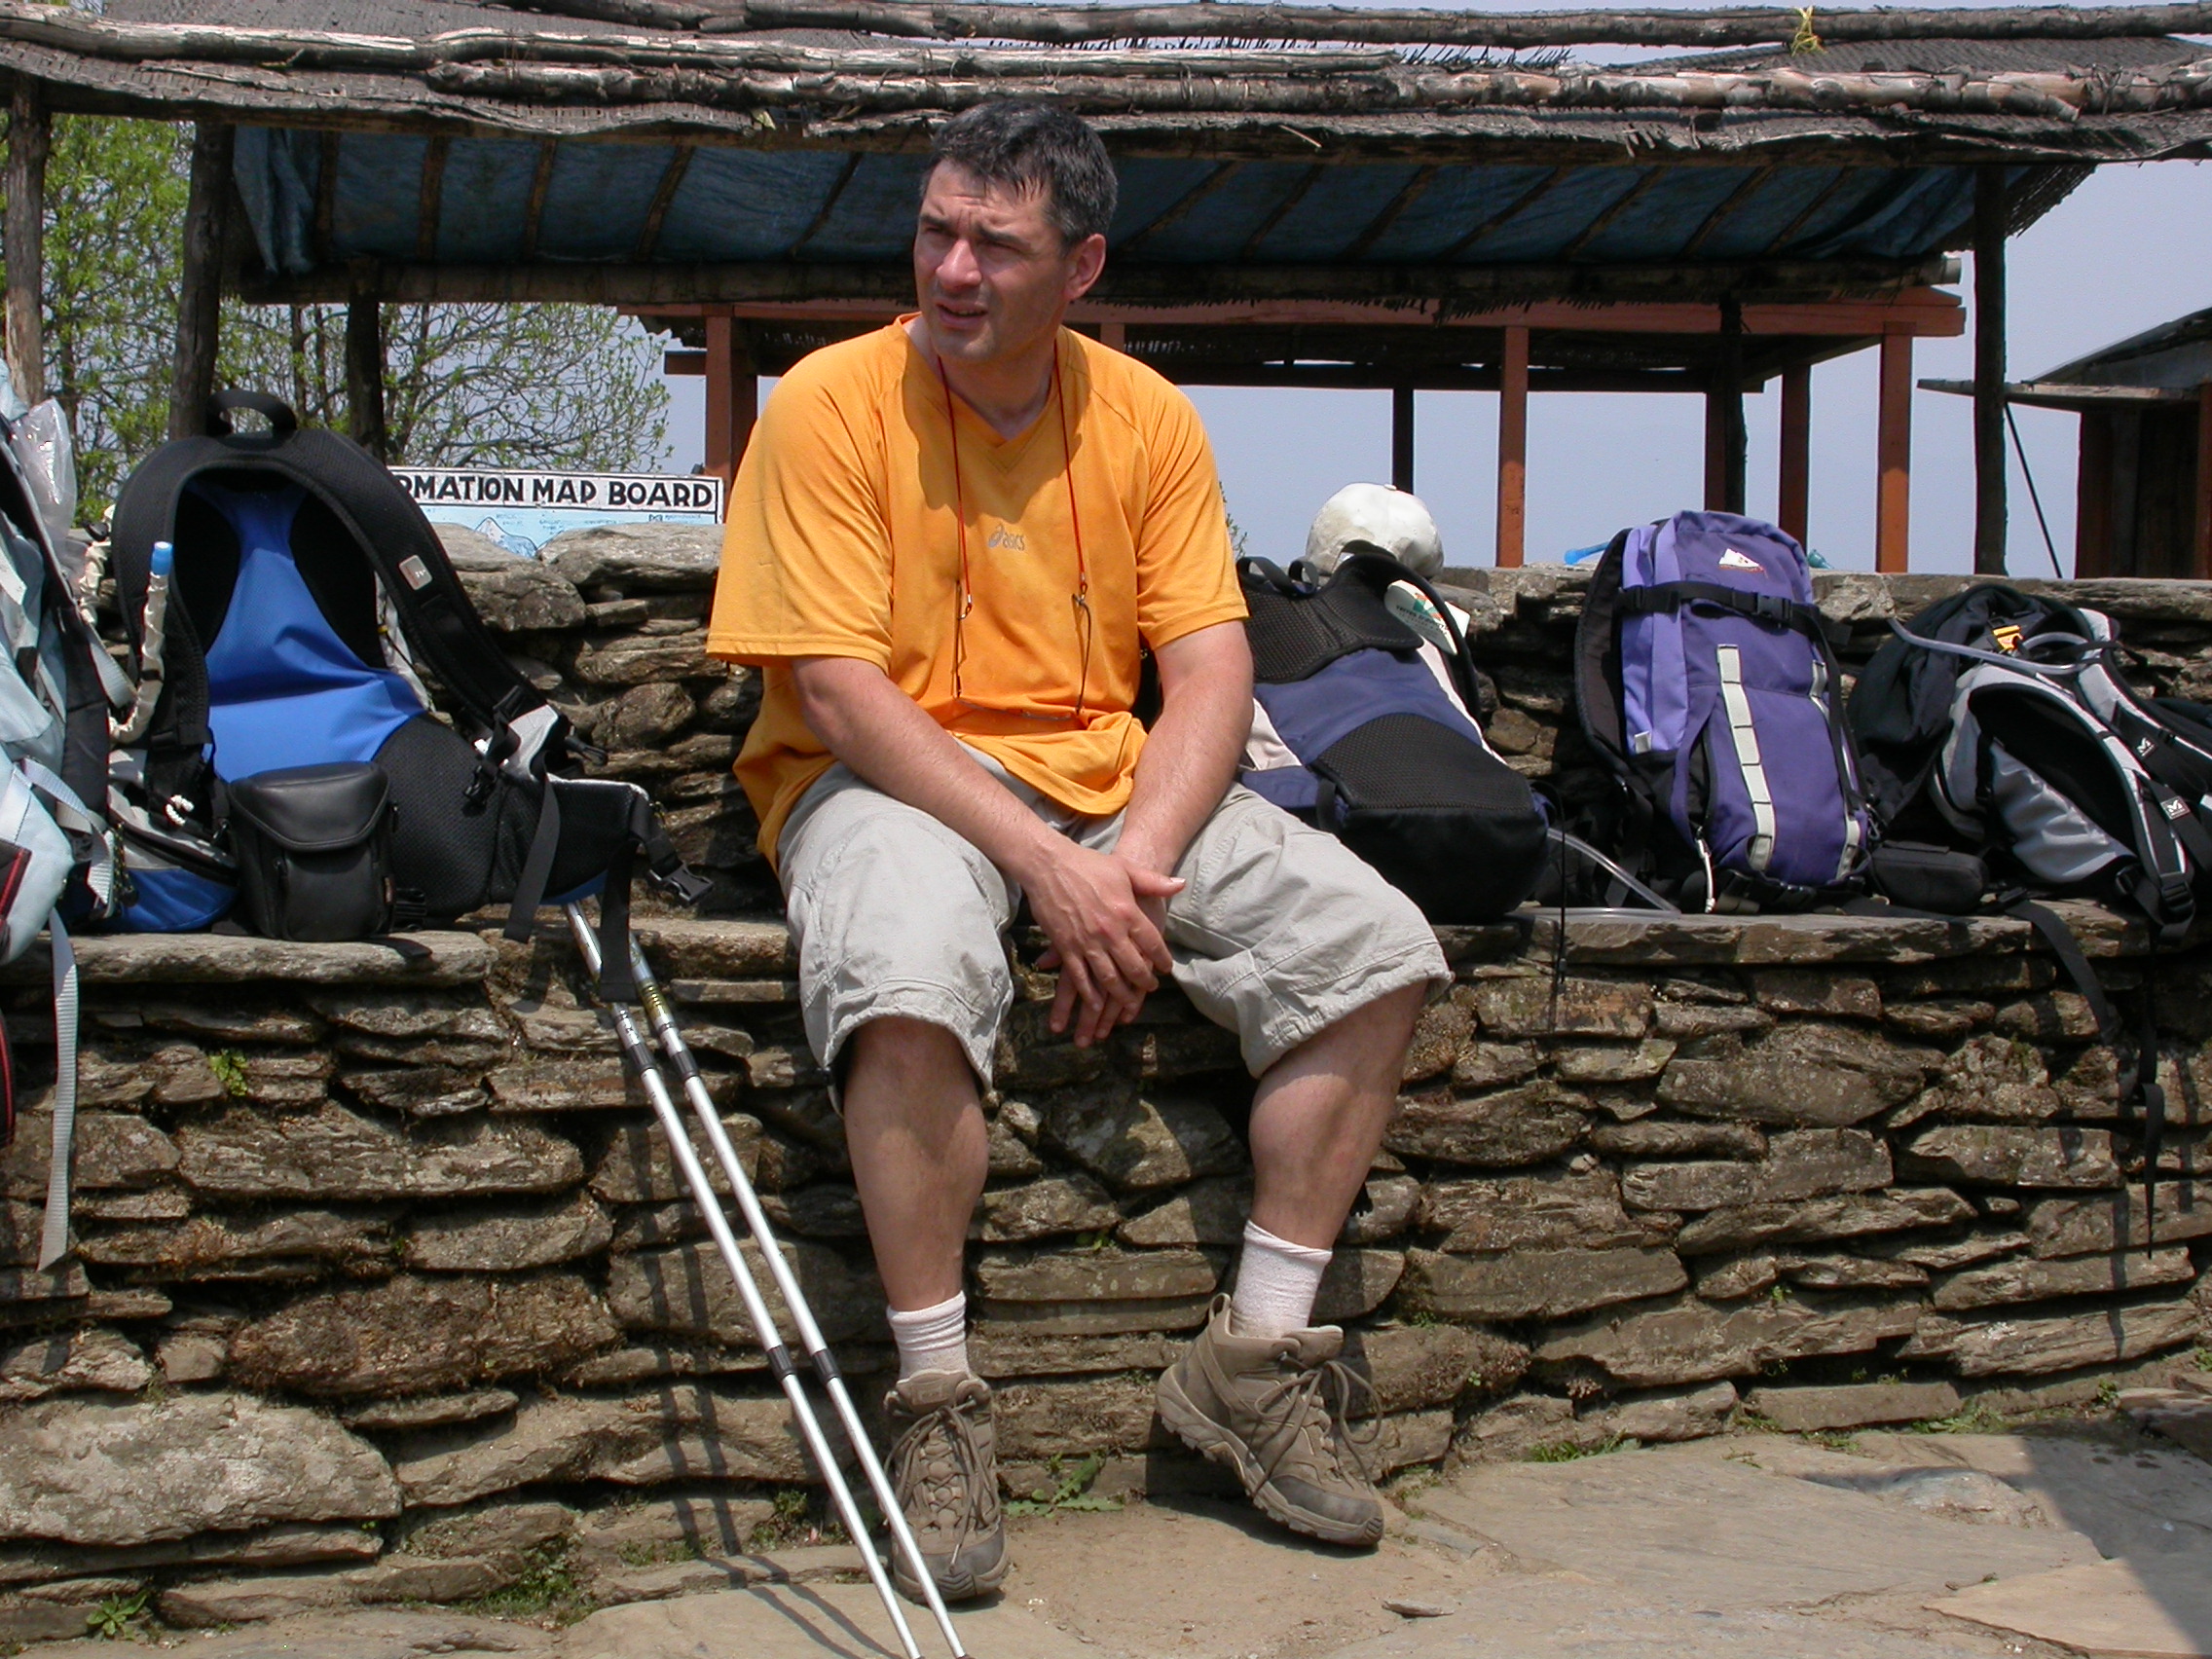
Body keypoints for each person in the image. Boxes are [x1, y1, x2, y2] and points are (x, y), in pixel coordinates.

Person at [705, 101, 1448, 1603]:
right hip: (884, 781)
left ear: (1082, 265)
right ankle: (935, 1400)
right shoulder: (827, 403)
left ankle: (1257, 1362)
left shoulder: (1148, 417)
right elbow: (837, 693)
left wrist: (1132, 866)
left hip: (1114, 793)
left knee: (1378, 951)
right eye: (936, 231)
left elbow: (1213, 673)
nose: (952, 269)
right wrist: (1054, 875)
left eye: (995, 244)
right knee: (906, 975)